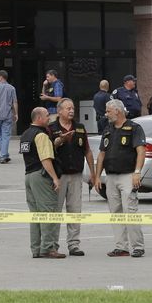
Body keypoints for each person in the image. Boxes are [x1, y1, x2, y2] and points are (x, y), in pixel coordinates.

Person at [94, 99, 146, 257]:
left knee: (130, 211)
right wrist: (97, 177)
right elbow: (102, 154)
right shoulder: (108, 129)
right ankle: (121, 246)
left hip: (128, 175)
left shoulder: (134, 128)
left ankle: (137, 246)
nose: (106, 114)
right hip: (111, 177)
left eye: (108, 111)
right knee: (115, 212)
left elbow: (141, 151)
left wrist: (137, 172)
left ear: (118, 111)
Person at [48, 98, 95, 257]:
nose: (71, 111)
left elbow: (87, 151)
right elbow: (46, 151)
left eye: (72, 108)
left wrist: (93, 173)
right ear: (59, 111)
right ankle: (52, 244)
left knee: (75, 210)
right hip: (58, 176)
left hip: (76, 175)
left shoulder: (80, 128)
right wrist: (60, 140)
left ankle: (74, 244)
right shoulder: (51, 128)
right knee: (55, 211)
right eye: (67, 108)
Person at [19, 107, 63, 258]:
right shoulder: (41, 135)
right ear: (38, 118)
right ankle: (49, 248)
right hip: (41, 176)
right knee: (48, 212)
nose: (49, 117)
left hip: (29, 176)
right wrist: (55, 178)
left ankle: (36, 249)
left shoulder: (25, 135)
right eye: (46, 115)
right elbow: (45, 159)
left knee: (35, 214)